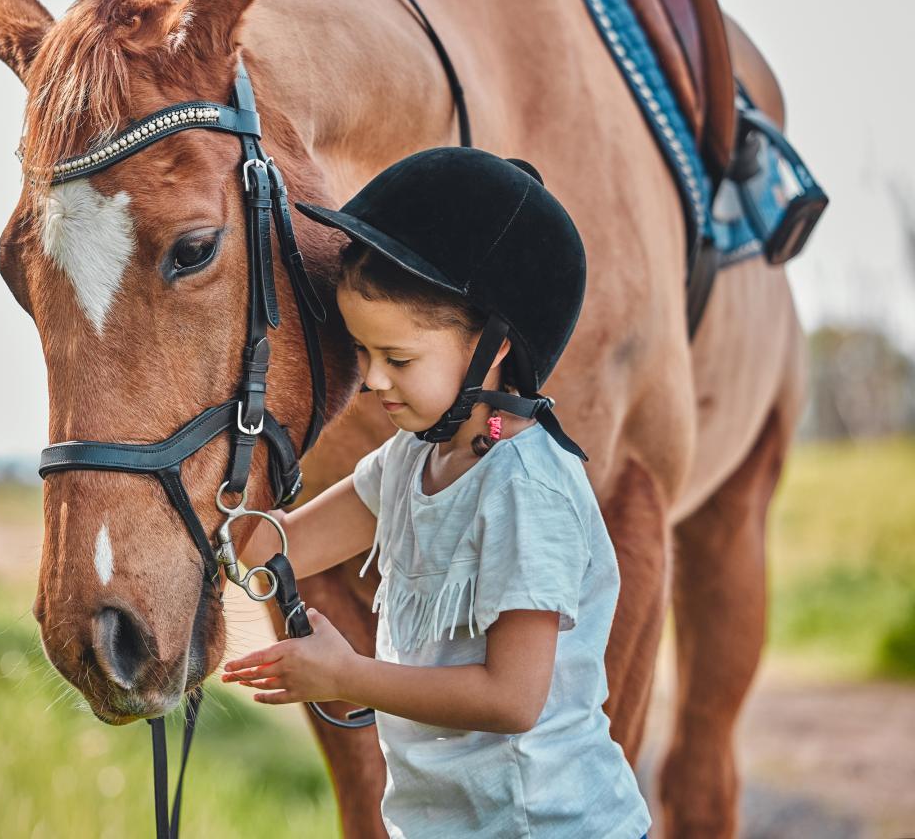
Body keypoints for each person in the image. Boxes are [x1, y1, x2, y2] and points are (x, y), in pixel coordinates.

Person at [223, 147, 652, 839]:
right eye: (364, 355)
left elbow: (512, 698)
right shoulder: (407, 461)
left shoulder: (525, 490)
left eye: (399, 359)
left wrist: (346, 675)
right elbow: (274, 551)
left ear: (494, 348)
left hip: (549, 826)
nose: (372, 382)